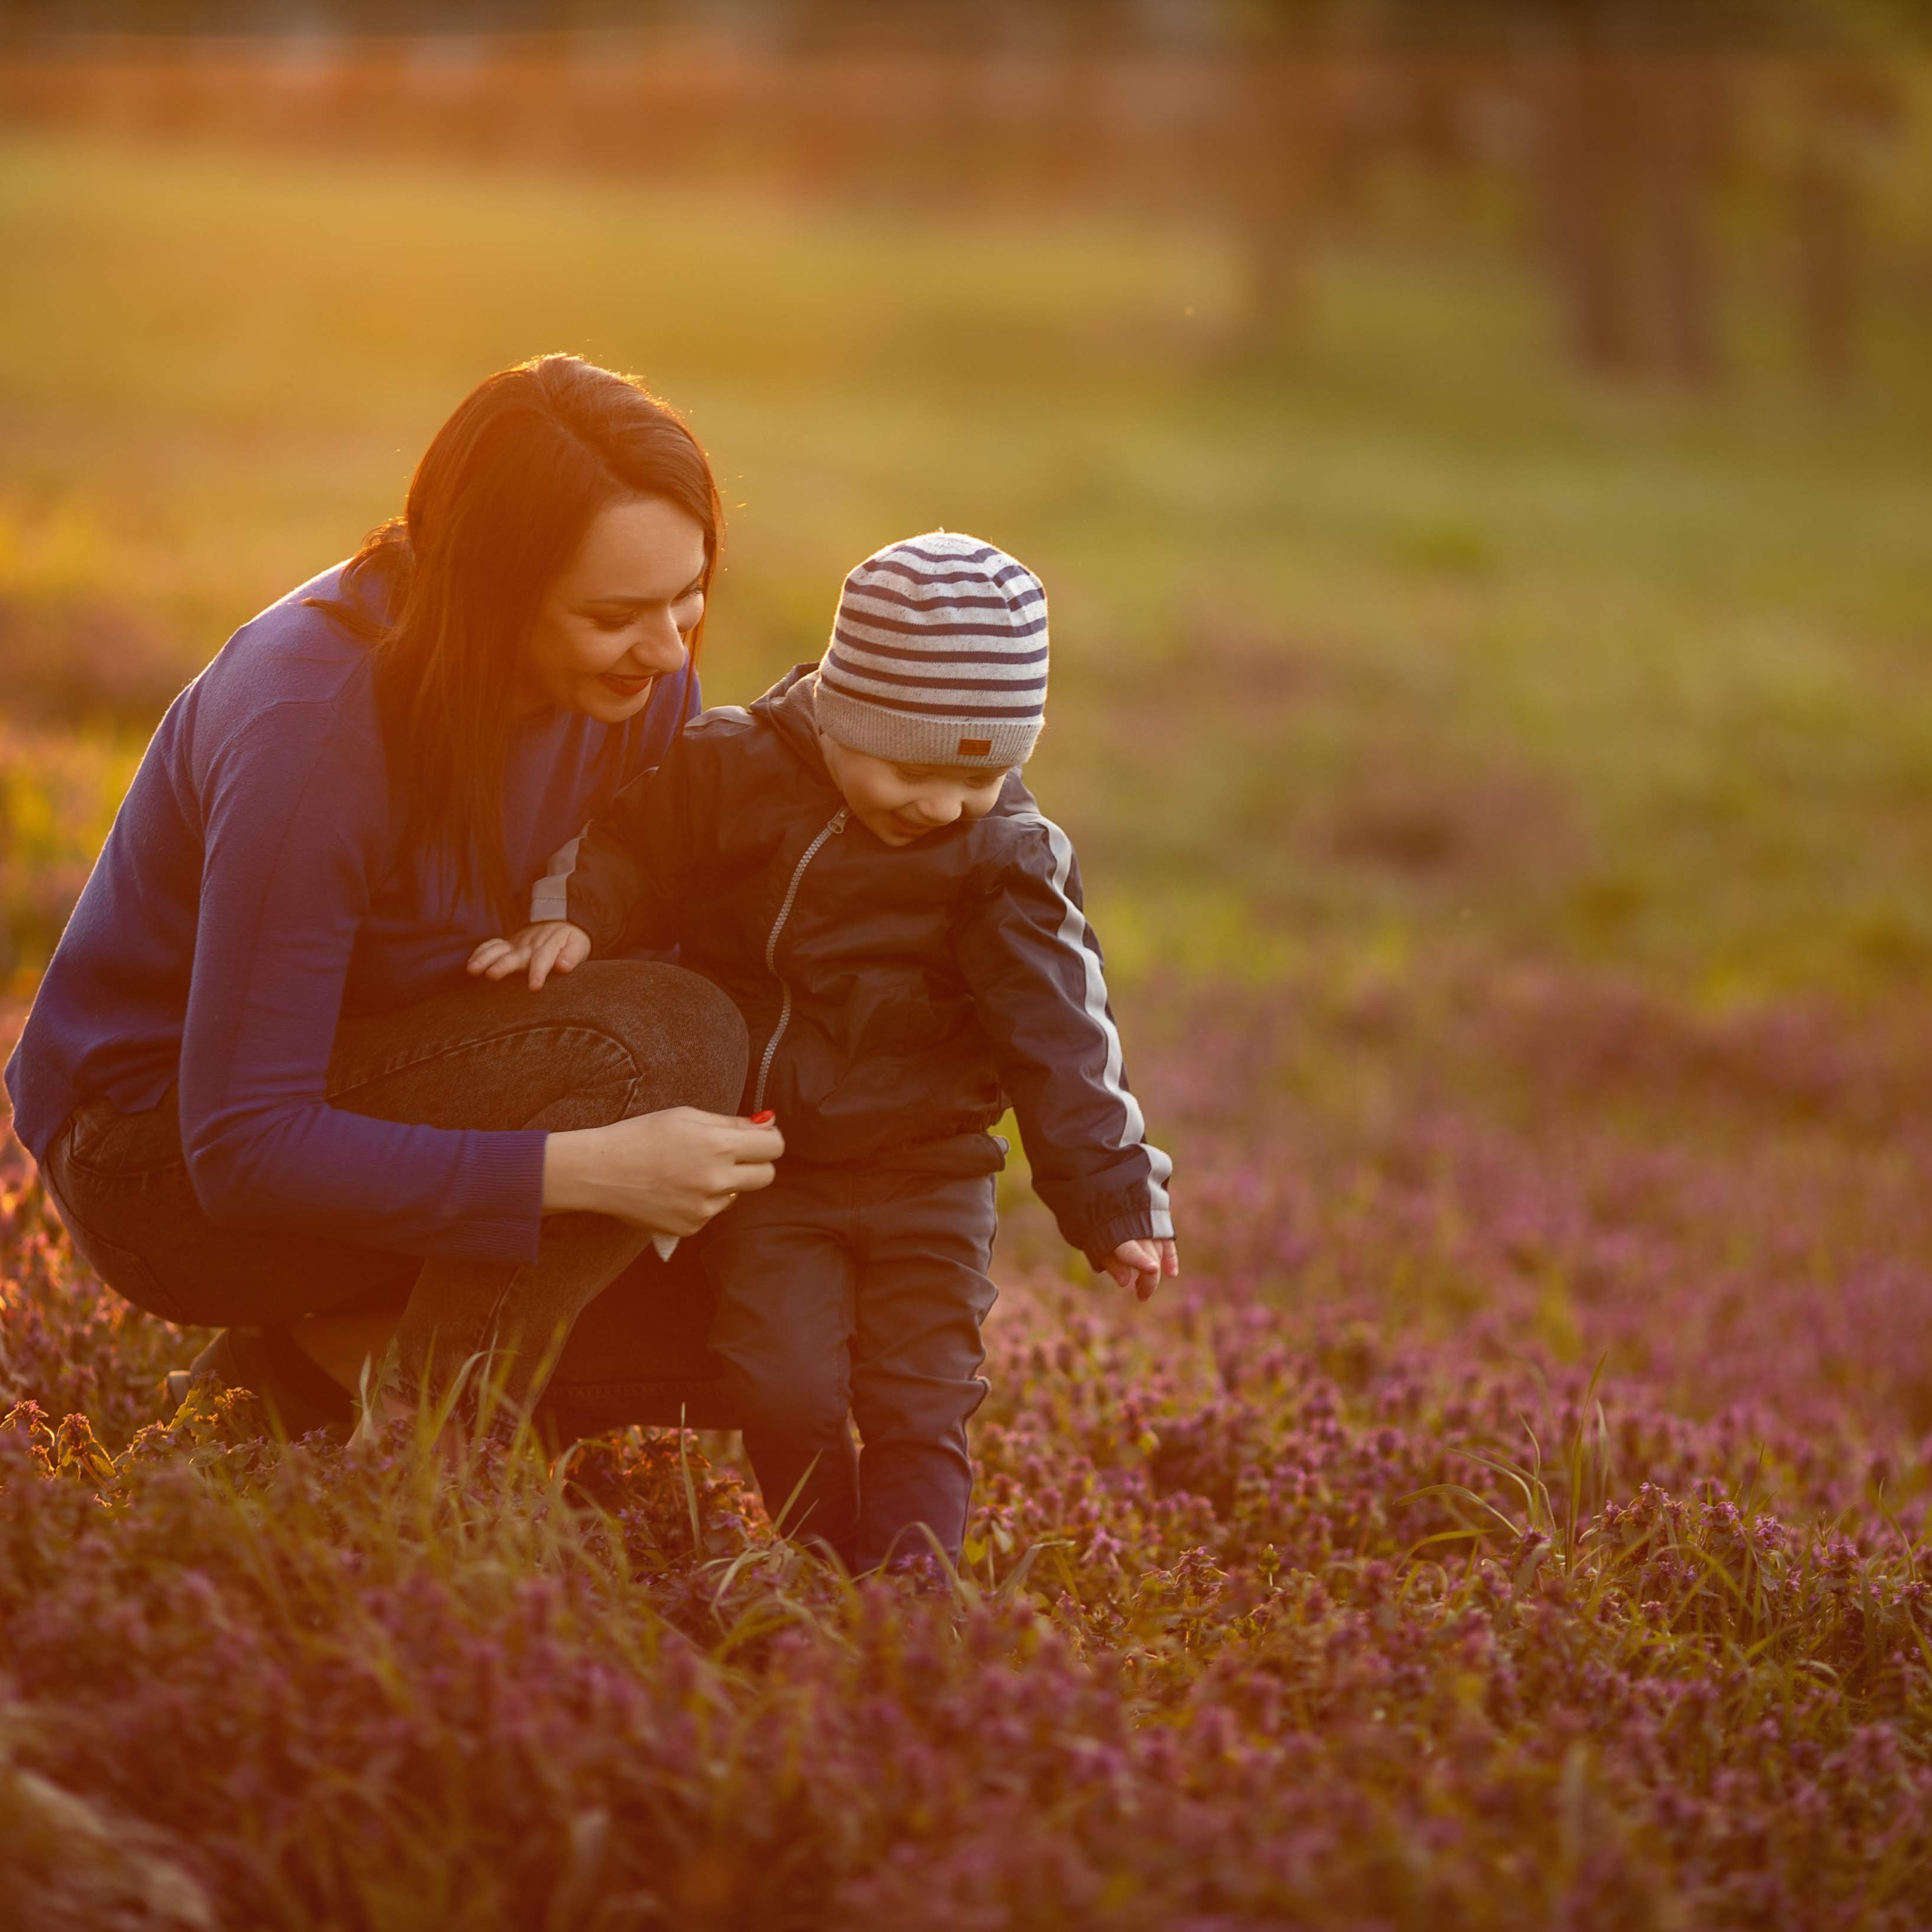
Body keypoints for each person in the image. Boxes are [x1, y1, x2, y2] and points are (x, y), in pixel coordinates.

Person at [4, 355, 783, 1439]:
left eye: (688, 603)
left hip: (406, 1075)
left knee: (807, 1328)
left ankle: (305, 1376)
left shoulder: (640, 685)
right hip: (163, 1164)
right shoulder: (313, 729)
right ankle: (424, 1442)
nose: (664, 653)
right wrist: (587, 1173)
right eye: (614, 615)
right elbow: (243, 1144)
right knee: (672, 1038)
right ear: (489, 591)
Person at [469, 531, 1177, 1571]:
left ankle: (910, 1594)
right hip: (771, 1167)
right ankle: (824, 1563)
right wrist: (579, 914)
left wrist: (1115, 1196)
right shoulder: (734, 769)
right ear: (841, 715)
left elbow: (1064, 1035)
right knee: (781, 1383)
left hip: (930, 1174)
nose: (940, 807)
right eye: (910, 769)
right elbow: (631, 843)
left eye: (978, 781)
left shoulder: (1005, 855)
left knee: (920, 1398)